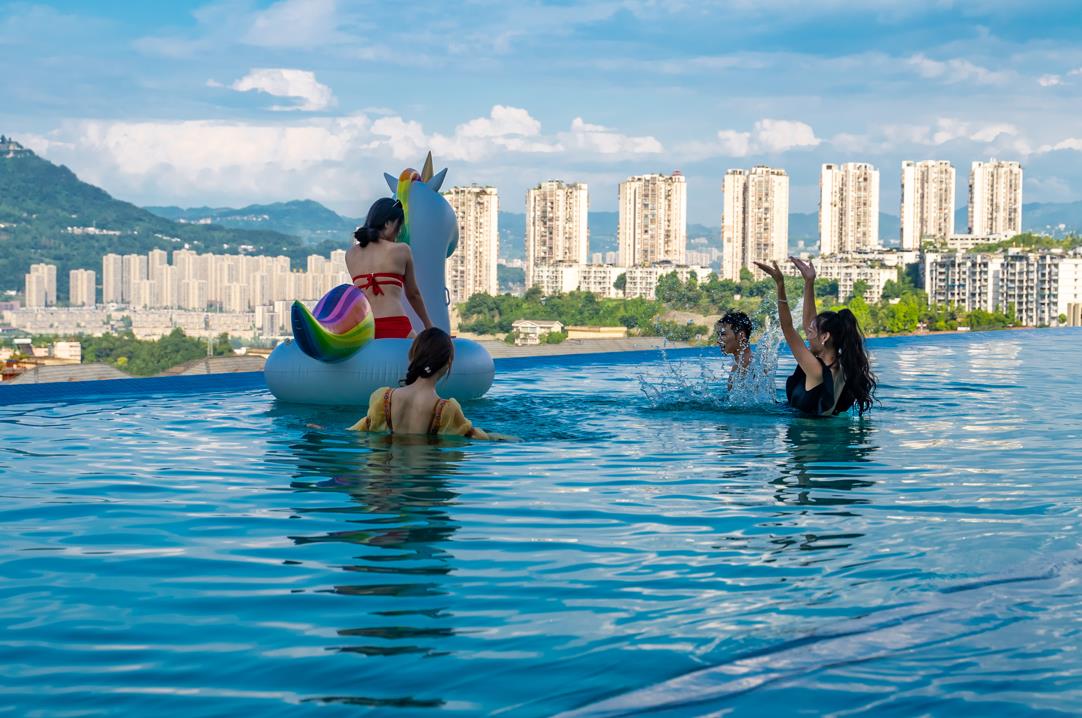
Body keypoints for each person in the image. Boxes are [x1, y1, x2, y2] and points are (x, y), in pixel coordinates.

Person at [754, 257, 876, 416]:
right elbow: (809, 322)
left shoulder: (816, 370)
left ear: (825, 337)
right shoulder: (842, 366)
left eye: (811, 331)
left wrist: (780, 284)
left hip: (809, 431)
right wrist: (809, 282)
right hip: (824, 429)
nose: (807, 335)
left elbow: (788, 329)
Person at [348, 328, 496, 439]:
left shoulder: (382, 399)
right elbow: (476, 437)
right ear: (448, 362)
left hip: (385, 470)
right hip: (425, 470)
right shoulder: (447, 410)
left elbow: (356, 431)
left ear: (413, 356)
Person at [346, 197, 433, 339]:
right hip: (396, 325)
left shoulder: (350, 254)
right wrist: (429, 325)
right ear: (388, 223)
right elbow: (413, 294)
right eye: (399, 226)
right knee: (422, 352)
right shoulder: (401, 250)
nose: (399, 233)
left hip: (366, 329)